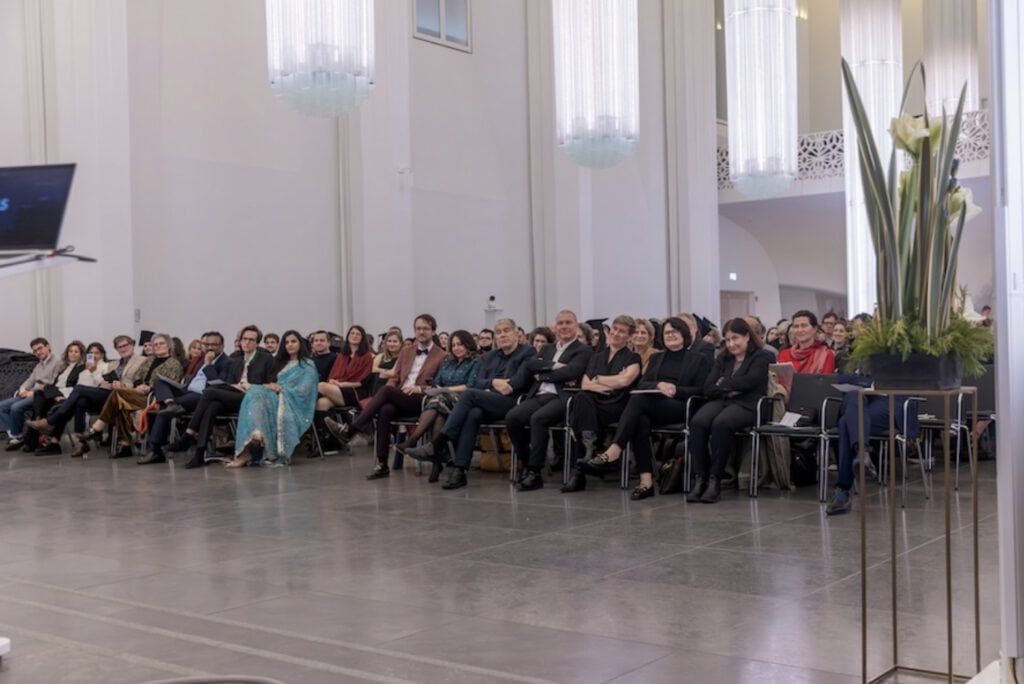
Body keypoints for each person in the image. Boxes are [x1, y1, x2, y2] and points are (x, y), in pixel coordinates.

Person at [574, 317, 711, 499]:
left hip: (681, 406)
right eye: (667, 332)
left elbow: (702, 389)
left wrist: (676, 389)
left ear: (684, 334)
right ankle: (646, 482)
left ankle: (615, 450)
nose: (670, 335)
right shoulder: (656, 357)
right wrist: (659, 385)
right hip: (655, 405)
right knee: (640, 420)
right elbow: (643, 383)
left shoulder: (698, 358)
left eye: (674, 332)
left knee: (639, 401)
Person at [403, 318, 534, 490]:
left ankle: (438, 444)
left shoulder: (527, 352)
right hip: (489, 399)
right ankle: (460, 470)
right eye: (499, 332)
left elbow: (519, 381)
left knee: (469, 395)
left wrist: (502, 385)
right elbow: (478, 382)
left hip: (514, 402)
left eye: (506, 330)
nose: (503, 335)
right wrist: (494, 382)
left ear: (517, 333)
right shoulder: (490, 356)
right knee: (473, 414)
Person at [328, 314, 446, 480]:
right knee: (385, 409)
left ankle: (352, 430)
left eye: (425, 328)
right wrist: (390, 391)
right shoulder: (407, 352)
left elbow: (440, 384)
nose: (421, 332)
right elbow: (394, 378)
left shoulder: (441, 355)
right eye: (418, 328)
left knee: (386, 391)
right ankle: (382, 464)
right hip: (401, 396)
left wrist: (419, 388)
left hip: (422, 399)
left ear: (433, 331)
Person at [687, 318, 774, 503]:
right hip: (723, 401)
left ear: (747, 337)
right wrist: (728, 387)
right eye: (727, 340)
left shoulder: (762, 356)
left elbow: (752, 381)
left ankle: (715, 480)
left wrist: (724, 383)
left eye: (735, 338)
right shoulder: (723, 357)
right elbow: (708, 387)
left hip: (749, 404)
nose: (731, 344)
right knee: (697, 422)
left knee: (721, 424)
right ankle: (700, 478)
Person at [504, 310, 592, 491]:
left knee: (538, 418)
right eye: (560, 323)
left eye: (568, 323)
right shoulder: (547, 348)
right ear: (555, 327)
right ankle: (528, 461)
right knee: (512, 417)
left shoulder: (583, 350)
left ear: (576, 326)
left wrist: (543, 375)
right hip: (539, 395)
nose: (564, 327)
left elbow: (571, 372)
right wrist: (553, 367)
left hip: (563, 397)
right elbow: (529, 365)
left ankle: (534, 473)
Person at [168, 325, 278, 468]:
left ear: (257, 342)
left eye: (251, 340)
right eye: (244, 339)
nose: (247, 342)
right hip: (234, 395)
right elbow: (228, 383)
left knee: (209, 392)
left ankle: (188, 435)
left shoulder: (266, 359)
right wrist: (235, 386)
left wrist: (249, 385)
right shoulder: (236, 360)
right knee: (212, 406)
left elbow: (271, 384)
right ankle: (199, 454)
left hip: (252, 398)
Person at [560, 316, 641, 492]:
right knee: (581, 398)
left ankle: (579, 473)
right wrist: (611, 381)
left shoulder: (633, 357)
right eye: (615, 329)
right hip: (595, 405)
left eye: (622, 331)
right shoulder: (597, 357)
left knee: (580, 414)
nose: (616, 333)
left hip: (617, 406)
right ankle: (590, 450)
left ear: (629, 336)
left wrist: (598, 379)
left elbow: (625, 382)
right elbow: (585, 384)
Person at [28, 335, 145, 457]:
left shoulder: (139, 361)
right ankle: (79, 442)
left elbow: (140, 380)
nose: (123, 348)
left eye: (125, 345)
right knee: (80, 401)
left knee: (77, 392)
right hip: (105, 393)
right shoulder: (113, 364)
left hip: (122, 395)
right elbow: (104, 384)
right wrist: (99, 376)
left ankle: (50, 423)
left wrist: (97, 373)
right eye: (119, 347)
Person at [79, 333, 183, 458]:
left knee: (117, 394)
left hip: (155, 398)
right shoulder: (149, 360)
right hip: (138, 393)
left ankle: (98, 428)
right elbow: (138, 376)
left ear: (169, 346)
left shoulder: (174, 364)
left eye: (161, 343)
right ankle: (124, 445)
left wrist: (149, 387)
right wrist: (139, 385)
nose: (158, 346)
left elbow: (170, 384)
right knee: (120, 402)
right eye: (155, 344)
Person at [395, 330, 480, 480]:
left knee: (439, 401)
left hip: (464, 401)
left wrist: (445, 390)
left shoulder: (476, 361)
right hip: (441, 399)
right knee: (439, 410)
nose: (456, 348)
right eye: (453, 345)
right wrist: (438, 389)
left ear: (468, 344)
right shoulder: (448, 361)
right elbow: (437, 381)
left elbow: (471, 386)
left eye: (460, 344)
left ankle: (413, 440)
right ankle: (436, 461)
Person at [227, 330, 319, 468]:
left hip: (291, 401)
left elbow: (305, 390)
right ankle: (256, 435)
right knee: (255, 391)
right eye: (287, 342)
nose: (290, 345)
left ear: (300, 343)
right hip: (273, 396)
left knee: (255, 390)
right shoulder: (280, 363)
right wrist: (271, 386)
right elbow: (271, 381)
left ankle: (253, 442)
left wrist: (281, 389)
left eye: (293, 341)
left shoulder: (307, 365)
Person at [136, 331, 231, 464]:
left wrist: (209, 364)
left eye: (214, 344)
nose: (209, 347)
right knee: (160, 382)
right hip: (187, 391)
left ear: (222, 345)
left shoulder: (226, 362)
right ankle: (170, 404)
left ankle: (155, 450)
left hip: (204, 396)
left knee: (163, 410)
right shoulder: (201, 359)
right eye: (206, 344)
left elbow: (219, 385)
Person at [21, 341, 86, 454]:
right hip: (55, 393)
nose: (73, 354)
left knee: (50, 403)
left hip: (66, 396)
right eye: (71, 351)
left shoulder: (82, 368)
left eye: (76, 352)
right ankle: (37, 420)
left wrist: (57, 394)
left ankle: (35, 439)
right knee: (39, 394)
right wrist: (51, 391)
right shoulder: (64, 367)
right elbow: (53, 384)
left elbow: (77, 387)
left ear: (81, 354)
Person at [1, 338, 61, 450]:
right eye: (35, 351)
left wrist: (32, 392)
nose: (38, 352)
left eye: (40, 348)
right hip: (30, 393)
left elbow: (52, 385)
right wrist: (22, 389)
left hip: (43, 396)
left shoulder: (57, 362)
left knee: (15, 407)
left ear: (48, 346)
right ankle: (15, 434)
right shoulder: (39, 365)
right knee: (2, 406)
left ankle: (17, 436)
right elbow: (30, 380)